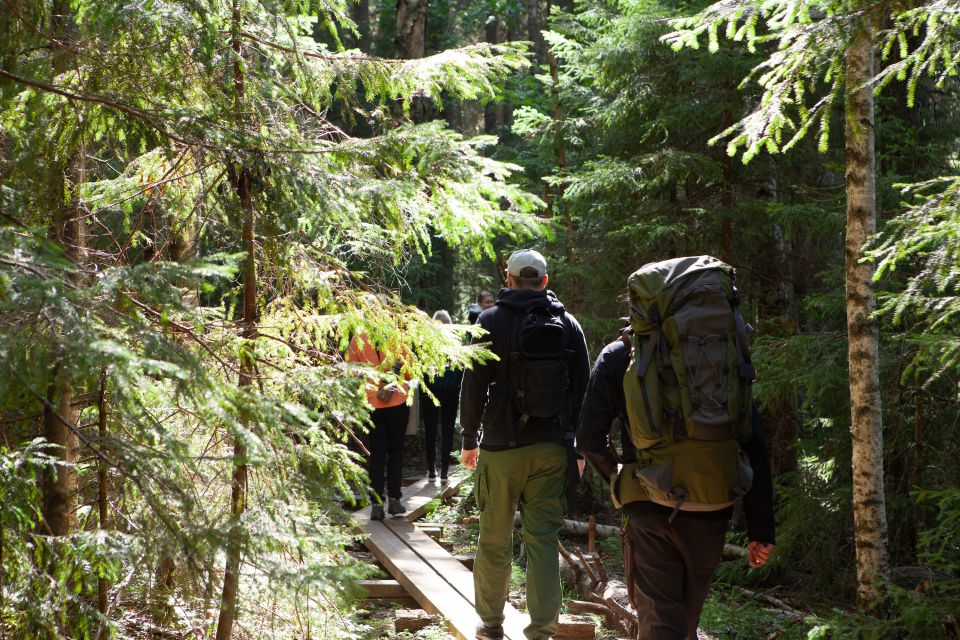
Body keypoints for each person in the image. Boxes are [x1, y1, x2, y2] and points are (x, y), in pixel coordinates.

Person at [576, 324, 776, 640]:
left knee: (660, 624)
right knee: (685, 622)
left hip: (649, 504)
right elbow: (754, 442)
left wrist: (620, 481)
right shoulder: (723, 354)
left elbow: (589, 437)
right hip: (712, 503)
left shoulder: (621, 354)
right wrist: (761, 528)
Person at [460, 249, 590, 640]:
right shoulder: (568, 324)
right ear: (545, 282)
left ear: (510, 278)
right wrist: (580, 450)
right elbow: (585, 392)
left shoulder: (489, 320)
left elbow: (473, 386)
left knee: (494, 537)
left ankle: (490, 625)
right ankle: (542, 631)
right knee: (543, 541)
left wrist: (469, 439)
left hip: (501, 448)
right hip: (552, 450)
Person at [347, 333, 411, 522]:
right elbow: (409, 369)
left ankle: (376, 505)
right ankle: (394, 499)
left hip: (371, 403)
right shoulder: (397, 334)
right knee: (396, 451)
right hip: (397, 401)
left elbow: (352, 370)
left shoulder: (358, 336)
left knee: (376, 453)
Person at [421, 310, 463, 481]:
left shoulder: (426, 342)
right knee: (447, 431)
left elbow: (421, 369)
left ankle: (431, 471)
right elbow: (460, 370)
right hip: (450, 394)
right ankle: (444, 472)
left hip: (430, 393)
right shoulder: (456, 343)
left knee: (430, 431)